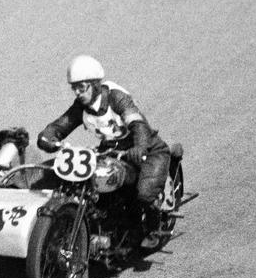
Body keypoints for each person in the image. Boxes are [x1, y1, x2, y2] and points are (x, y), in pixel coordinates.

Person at [36, 55, 172, 216]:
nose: (77, 93)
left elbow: (138, 125)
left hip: (148, 151)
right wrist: (47, 138)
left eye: (81, 87)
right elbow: (61, 125)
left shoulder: (117, 98)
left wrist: (140, 147)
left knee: (144, 195)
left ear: (95, 84)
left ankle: (154, 224)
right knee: (95, 192)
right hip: (112, 152)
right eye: (74, 88)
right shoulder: (81, 106)